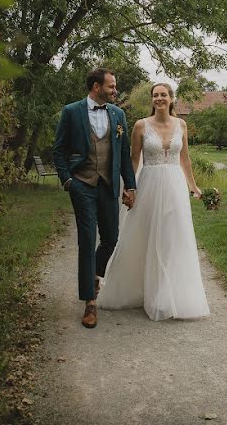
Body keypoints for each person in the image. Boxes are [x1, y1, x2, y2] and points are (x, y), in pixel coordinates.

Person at [98, 82, 210, 321]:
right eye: (155, 95)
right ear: (152, 100)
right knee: (145, 236)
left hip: (175, 188)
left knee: (172, 238)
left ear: (171, 99)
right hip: (148, 185)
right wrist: (130, 188)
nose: (159, 98)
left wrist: (194, 187)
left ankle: (166, 295)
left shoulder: (181, 124)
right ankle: (142, 290)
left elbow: (185, 159)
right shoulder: (141, 125)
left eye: (163, 95)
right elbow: (133, 160)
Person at [53, 68, 137, 329]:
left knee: (111, 238)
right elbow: (59, 150)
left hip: (108, 185)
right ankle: (90, 302)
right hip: (83, 185)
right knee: (88, 240)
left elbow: (123, 155)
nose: (115, 91)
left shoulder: (118, 114)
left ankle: (95, 275)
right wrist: (68, 181)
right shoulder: (71, 112)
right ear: (96, 87)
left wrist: (130, 187)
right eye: (111, 87)